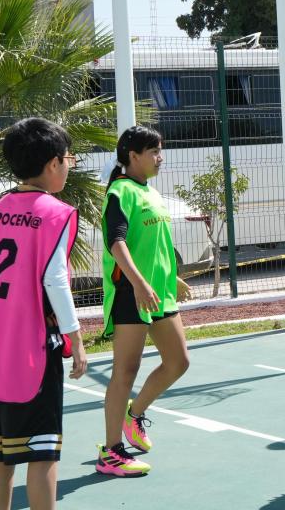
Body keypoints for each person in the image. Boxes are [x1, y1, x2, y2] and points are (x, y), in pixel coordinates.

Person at [0, 118, 88, 510]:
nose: (70, 165)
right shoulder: (56, 214)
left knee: (0, 455)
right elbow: (55, 280)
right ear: (53, 163)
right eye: (69, 158)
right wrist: (76, 336)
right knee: (43, 453)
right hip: (34, 351)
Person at [97, 125, 192, 477]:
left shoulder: (150, 192)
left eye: (160, 150)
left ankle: (133, 415)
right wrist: (138, 283)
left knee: (178, 362)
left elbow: (156, 244)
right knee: (125, 371)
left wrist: (172, 276)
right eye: (153, 151)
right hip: (130, 293)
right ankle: (111, 452)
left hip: (158, 293)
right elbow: (117, 244)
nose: (160, 157)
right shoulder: (120, 192)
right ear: (132, 156)